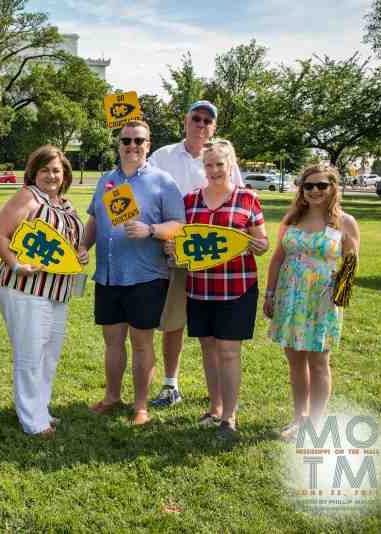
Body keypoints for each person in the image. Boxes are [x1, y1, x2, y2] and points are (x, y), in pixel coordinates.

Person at [78, 120, 185, 426]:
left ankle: (140, 407)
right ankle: (112, 397)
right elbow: (95, 220)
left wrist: (151, 229)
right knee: (112, 341)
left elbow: (178, 224)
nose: (132, 146)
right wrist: (85, 246)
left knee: (141, 343)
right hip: (109, 276)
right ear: (119, 143)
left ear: (148, 144)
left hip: (146, 276)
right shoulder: (107, 181)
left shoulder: (163, 181)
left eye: (139, 141)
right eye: (126, 141)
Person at [166, 139, 268, 441]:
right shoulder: (190, 201)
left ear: (231, 165)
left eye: (219, 164)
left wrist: (257, 244)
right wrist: (173, 247)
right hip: (200, 288)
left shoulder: (248, 199)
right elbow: (179, 242)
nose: (213, 170)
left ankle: (229, 417)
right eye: (208, 164)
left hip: (237, 287)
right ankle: (214, 408)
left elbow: (261, 244)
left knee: (228, 351)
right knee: (208, 348)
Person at [147, 100, 245, 408]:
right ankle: (171, 384)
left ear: (214, 127)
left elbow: (238, 203)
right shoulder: (162, 156)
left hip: (214, 258)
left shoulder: (221, 159)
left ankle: (217, 394)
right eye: (197, 118)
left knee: (213, 330)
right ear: (186, 121)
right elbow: (149, 196)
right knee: (173, 320)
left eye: (207, 121)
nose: (201, 124)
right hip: (174, 251)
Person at [0, 145, 87, 436]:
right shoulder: (28, 197)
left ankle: (39, 408)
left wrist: (80, 252)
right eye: (44, 169)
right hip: (25, 287)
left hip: (57, 290)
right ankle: (32, 421)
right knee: (31, 354)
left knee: (49, 354)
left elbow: (69, 246)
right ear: (33, 173)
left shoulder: (66, 205)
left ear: (65, 174)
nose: (51, 175)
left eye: (56, 170)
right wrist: (14, 263)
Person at [264, 165, 359, 441]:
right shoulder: (293, 219)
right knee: (295, 361)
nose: (315, 191)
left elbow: (350, 265)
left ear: (333, 188)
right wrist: (270, 294)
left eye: (321, 185)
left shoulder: (345, 222)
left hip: (322, 301)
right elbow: (278, 258)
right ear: (301, 190)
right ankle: (299, 418)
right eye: (308, 186)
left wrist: (336, 300)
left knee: (318, 361)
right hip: (290, 298)